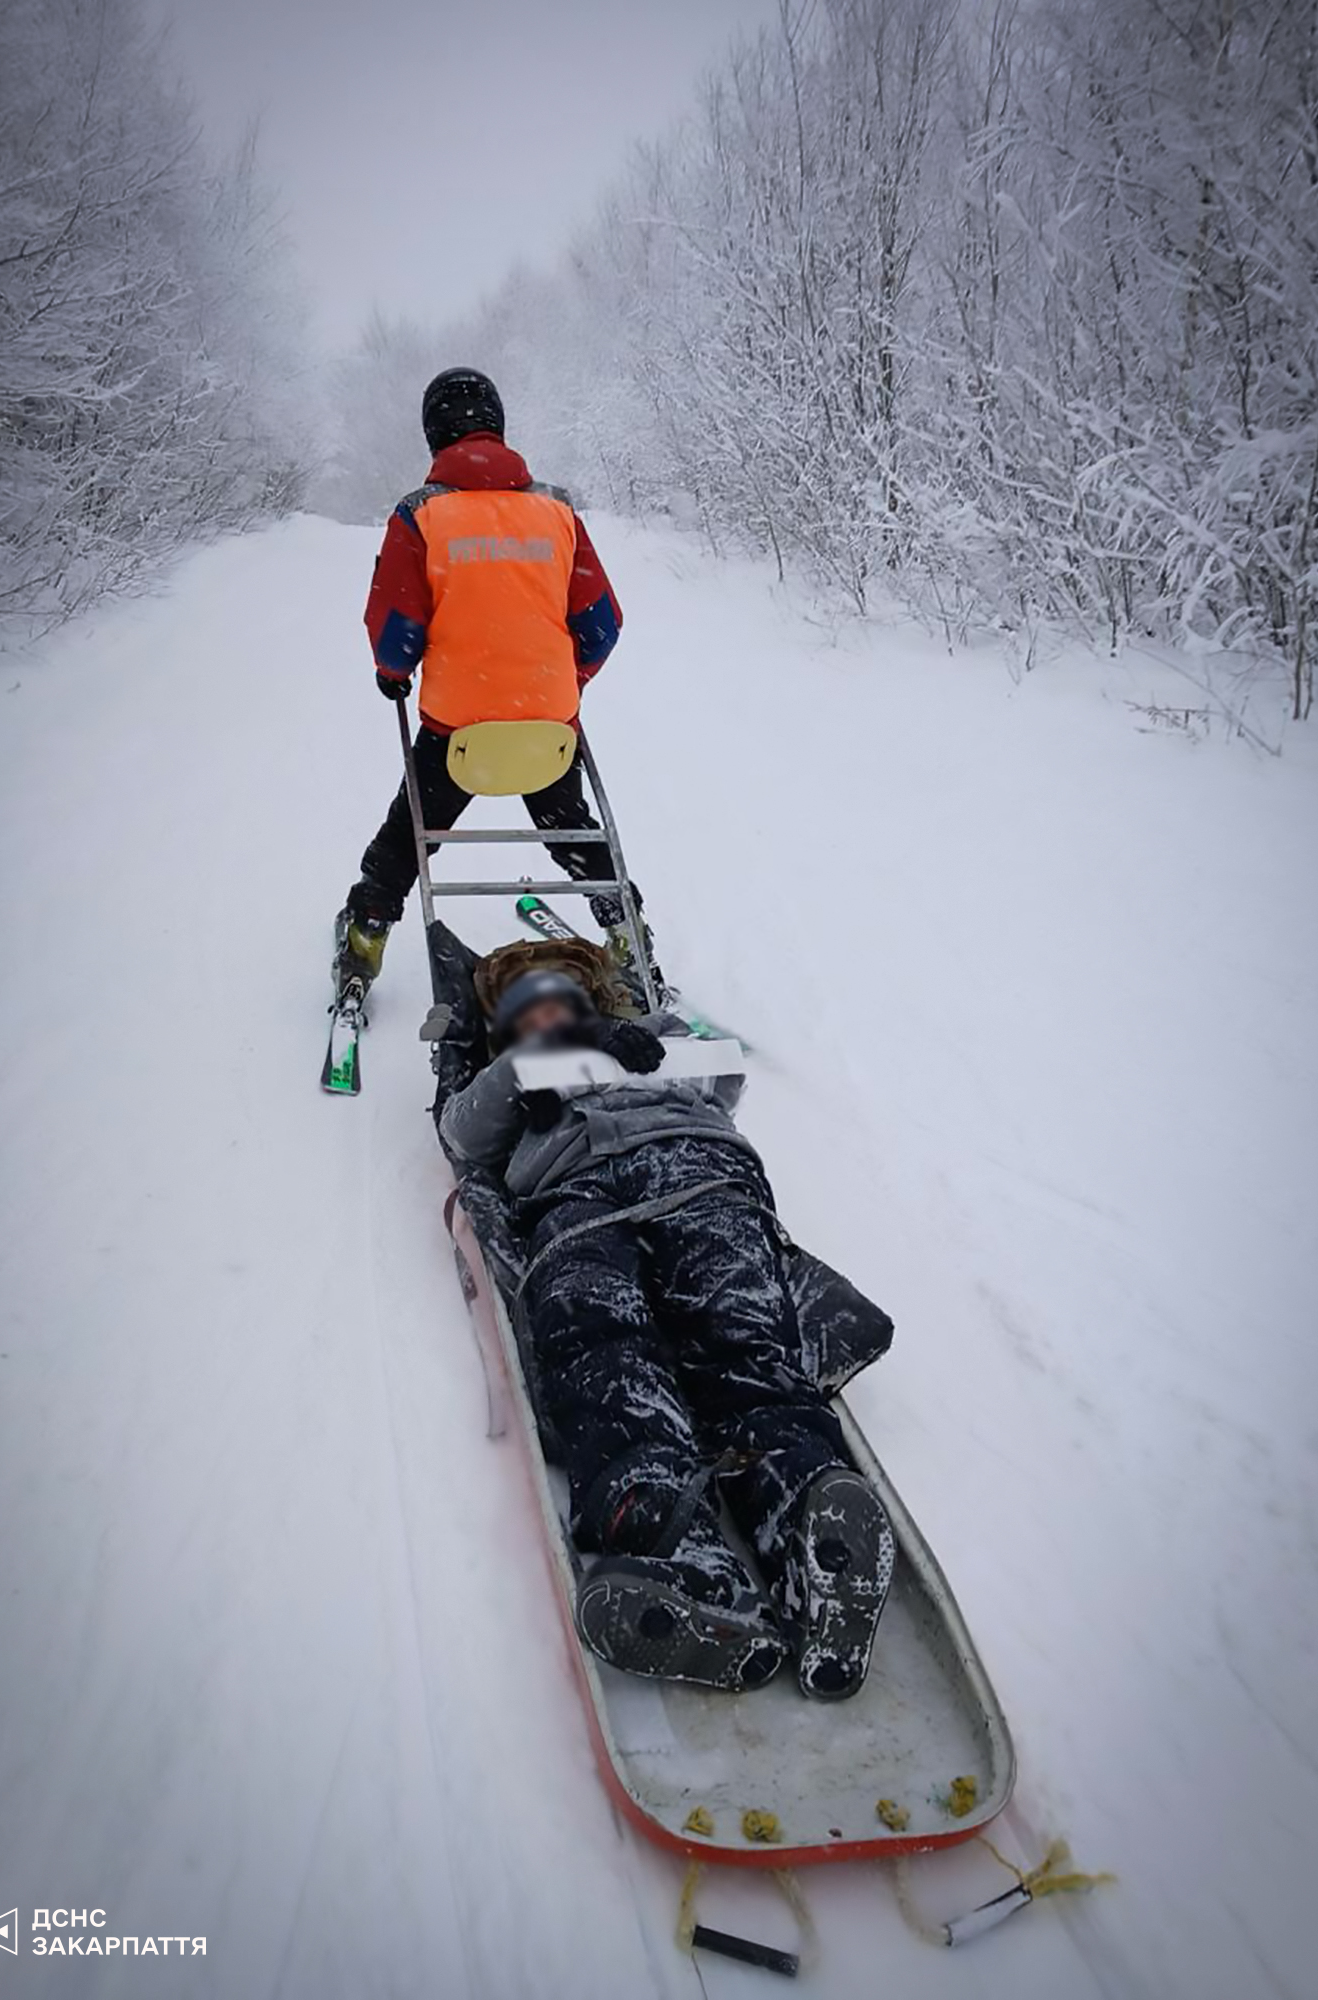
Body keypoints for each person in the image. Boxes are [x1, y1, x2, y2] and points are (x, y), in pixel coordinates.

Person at [439, 962, 896, 1700]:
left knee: (743, 1336)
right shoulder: (512, 1074)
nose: (547, 1017)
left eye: (561, 1005)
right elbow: (461, 1133)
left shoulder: (655, 1033)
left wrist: (644, 1047)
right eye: (529, 1012)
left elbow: (724, 1079)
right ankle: (676, 1546)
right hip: (575, 1197)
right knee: (599, 1346)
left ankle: (808, 1517)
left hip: (695, 1169)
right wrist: (530, 1067)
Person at [334, 367, 648, 996]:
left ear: (433, 434)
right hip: (546, 729)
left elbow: (395, 636)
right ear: (499, 427)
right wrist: (563, 682)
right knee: (574, 831)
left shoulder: (420, 515)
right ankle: (628, 937)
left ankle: (364, 942)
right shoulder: (558, 512)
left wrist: (393, 675)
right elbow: (602, 626)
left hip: (458, 736)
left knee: (405, 840)